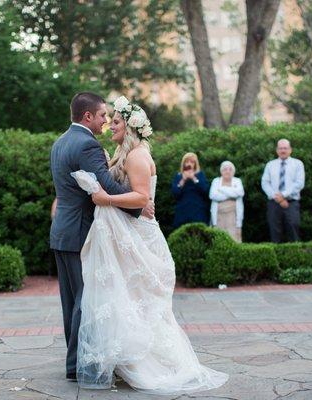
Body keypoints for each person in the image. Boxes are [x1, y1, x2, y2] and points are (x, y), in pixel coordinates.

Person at [71, 96, 228, 394]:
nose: (109, 125)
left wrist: (107, 200)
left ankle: (151, 363)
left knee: (142, 300)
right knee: (129, 298)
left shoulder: (137, 156)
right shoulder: (124, 153)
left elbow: (141, 199)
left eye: (115, 121)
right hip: (128, 234)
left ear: (130, 127)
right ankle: (129, 358)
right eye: (110, 120)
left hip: (140, 235)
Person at [49, 92, 154, 382]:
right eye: (102, 116)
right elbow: (105, 185)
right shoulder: (87, 145)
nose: (106, 121)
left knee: (71, 301)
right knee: (87, 300)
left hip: (61, 231)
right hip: (80, 232)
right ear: (88, 117)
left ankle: (74, 365)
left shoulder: (60, 143)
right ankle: (81, 364)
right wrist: (140, 204)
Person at [261, 138, 305, 243]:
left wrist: (283, 195)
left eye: (285, 148)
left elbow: (299, 183)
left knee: (293, 231)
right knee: (275, 234)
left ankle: (295, 256)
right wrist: (278, 198)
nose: (283, 151)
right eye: (280, 148)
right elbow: (265, 183)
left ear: (290, 150)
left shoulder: (298, 164)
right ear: (277, 150)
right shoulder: (270, 165)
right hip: (274, 203)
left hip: (291, 203)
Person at [171, 153, 210, 228]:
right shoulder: (178, 176)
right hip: (182, 211)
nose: (189, 164)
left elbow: (205, 191)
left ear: (195, 164)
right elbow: (175, 193)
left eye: (192, 162)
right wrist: (183, 180)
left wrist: (194, 178)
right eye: (187, 162)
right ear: (184, 163)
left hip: (198, 211)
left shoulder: (200, 175)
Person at [209, 161, 244, 242]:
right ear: (221, 171)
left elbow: (240, 193)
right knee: (218, 240)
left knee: (234, 240)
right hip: (219, 217)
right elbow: (213, 195)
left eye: (230, 169)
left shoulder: (237, 181)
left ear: (233, 171)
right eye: (225, 169)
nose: (227, 171)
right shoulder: (216, 181)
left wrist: (221, 189)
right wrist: (232, 193)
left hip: (233, 217)